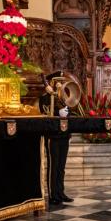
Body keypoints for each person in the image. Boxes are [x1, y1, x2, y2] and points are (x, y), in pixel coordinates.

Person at [38, 71, 73, 206]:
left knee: (61, 166)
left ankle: (61, 192)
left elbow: (69, 112)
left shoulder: (63, 97)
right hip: (52, 136)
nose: (60, 84)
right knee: (53, 166)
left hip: (64, 135)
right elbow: (45, 115)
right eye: (57, 81)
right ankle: (53, 194)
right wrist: (57, 113)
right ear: (51, 82)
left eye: (61, 81)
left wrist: (66, 114)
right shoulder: (45, 98)